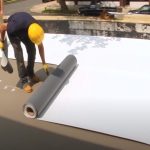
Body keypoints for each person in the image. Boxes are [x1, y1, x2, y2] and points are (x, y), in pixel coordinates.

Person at [0, 12, 49, 93]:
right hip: (14, 33)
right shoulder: (13, 27)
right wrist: (1, 41)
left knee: (32, 50)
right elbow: (2, 27)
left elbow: (40, 46)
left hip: (25, 28)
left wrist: (44, 62)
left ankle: (31, 73)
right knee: (19, 54)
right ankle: (24, 80)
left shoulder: (36, 28)